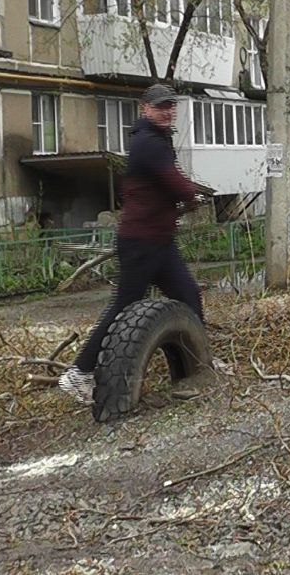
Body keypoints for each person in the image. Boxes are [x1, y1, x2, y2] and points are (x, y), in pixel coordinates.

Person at [59, 83, 206, 405]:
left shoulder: (158, 139)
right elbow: (173, 181)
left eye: (170, 106)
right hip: (141, 241)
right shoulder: (147, 143)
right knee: (124, 306)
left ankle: (200, 363)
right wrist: (191, 196)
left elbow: (168, 184)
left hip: (160, 240)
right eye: (160, 107)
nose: (167, 112)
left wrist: (185, 196)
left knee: (188, 295)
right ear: (145, 109)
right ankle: (79, 373)